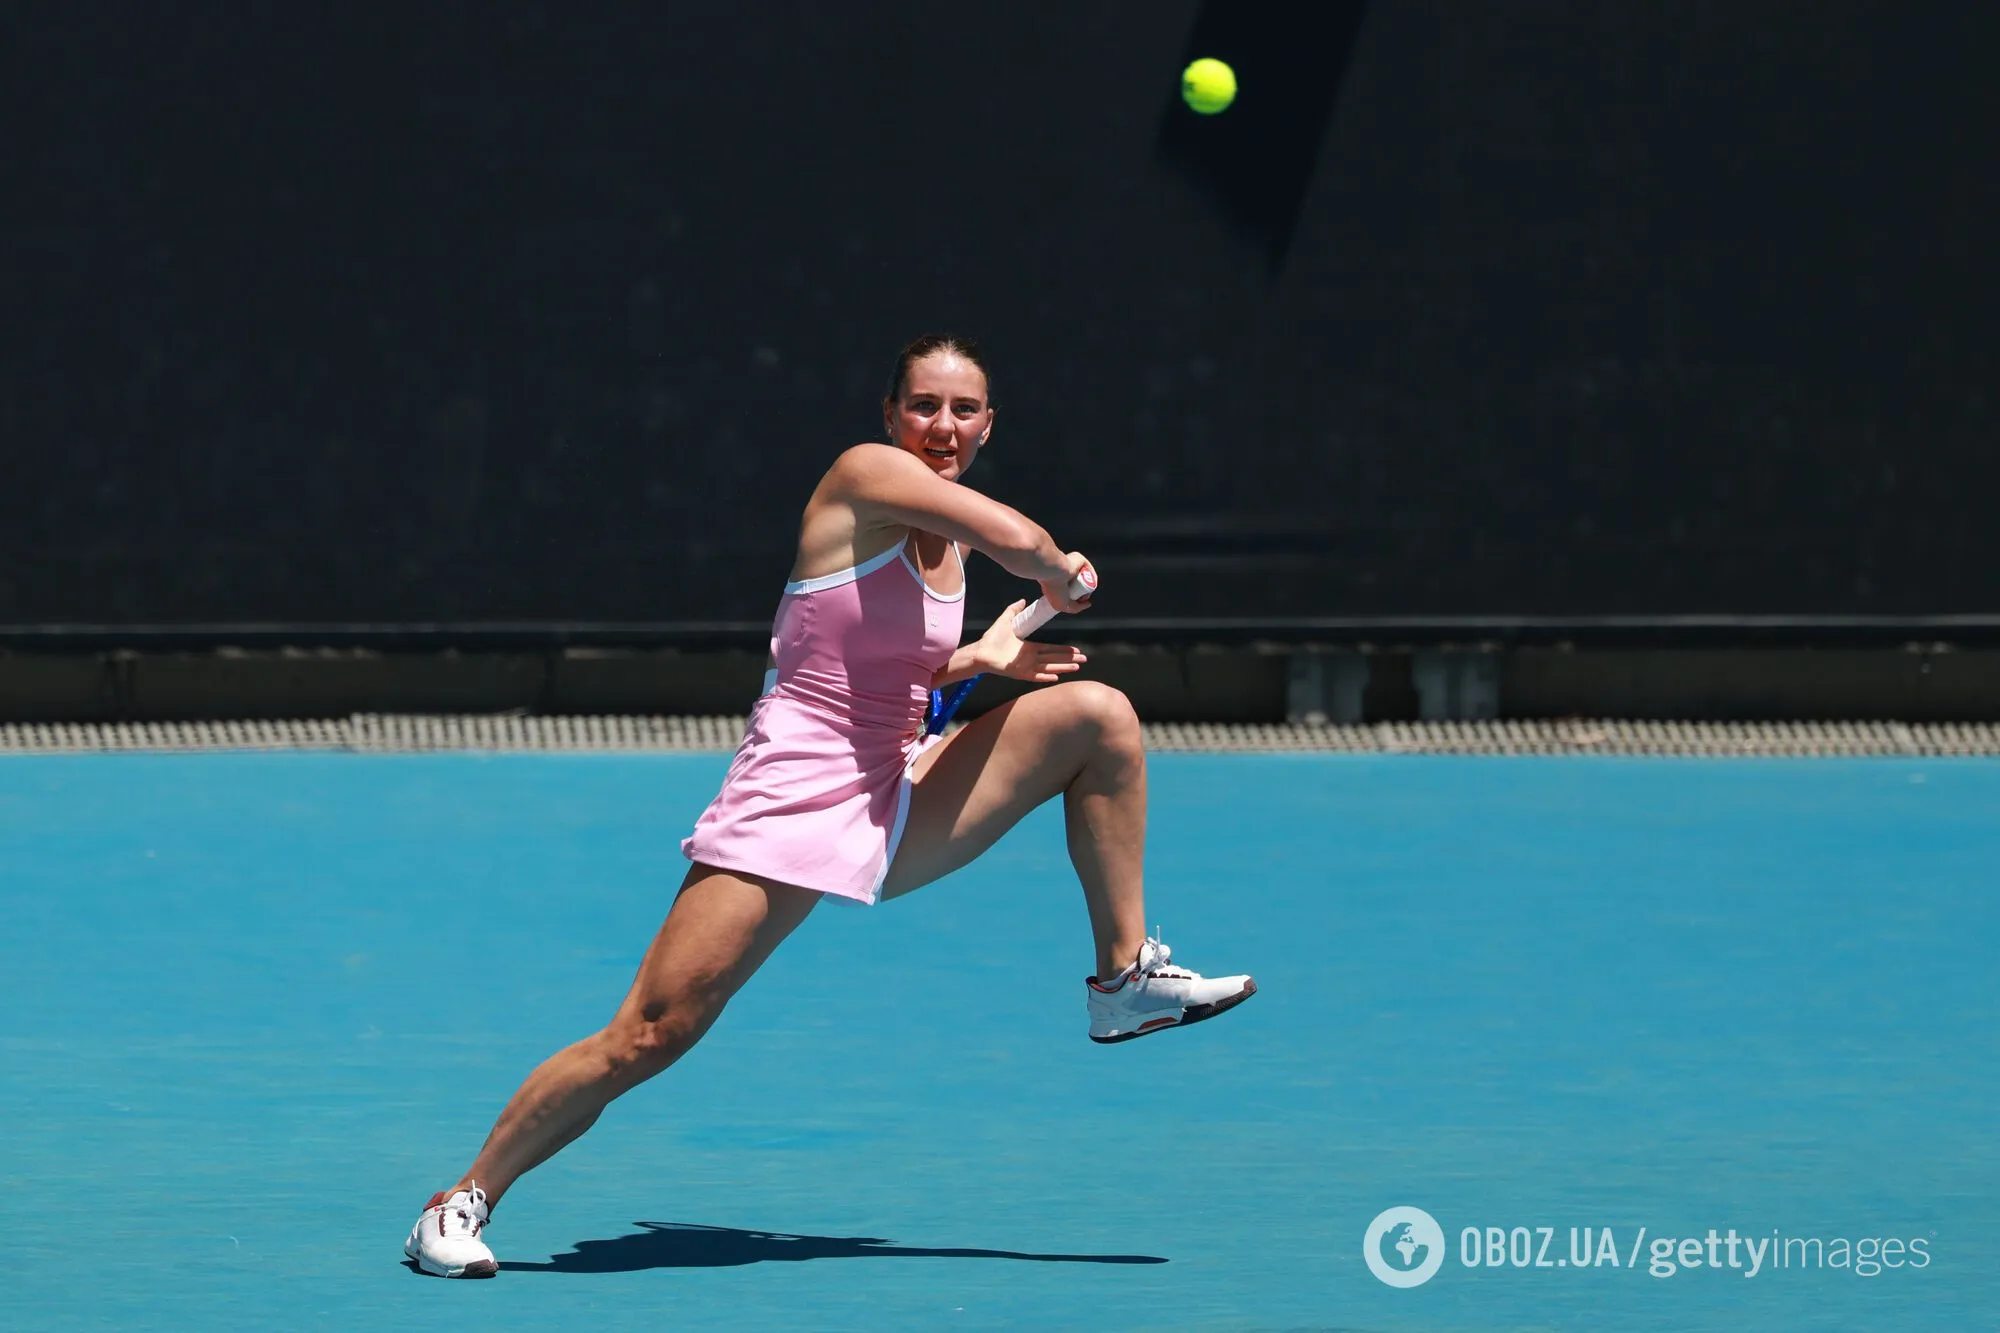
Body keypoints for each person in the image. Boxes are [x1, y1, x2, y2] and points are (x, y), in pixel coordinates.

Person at [404, 334, 1256, 1278]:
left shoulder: (947, 545)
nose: (943, 426)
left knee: (1100, 717)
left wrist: (975, 663)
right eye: (924, 405)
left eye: (963, 409)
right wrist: (1058, 570)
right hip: (793, 794)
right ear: (890, 417)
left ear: (988, 424)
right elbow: (1013, 542)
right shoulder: (864, 478)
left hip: (897, 787)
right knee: (652, 1032)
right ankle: (459, 1201)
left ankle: (1122, 981)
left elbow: (887, 671)